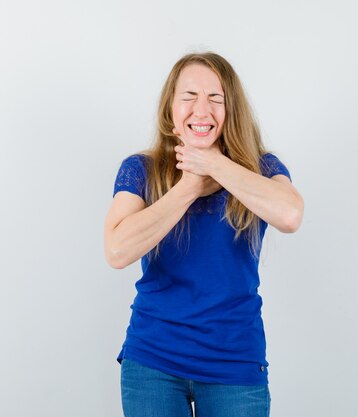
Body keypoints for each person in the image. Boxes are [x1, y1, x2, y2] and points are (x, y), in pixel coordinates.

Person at [103, 52, 304, 417]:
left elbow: (290, 214)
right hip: (153, 361)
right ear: (171, 108)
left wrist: (213, 162)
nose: (202, 109)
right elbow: (117, 250)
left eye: (216, 98)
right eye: (189, 96)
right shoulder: (141, 170)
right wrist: (189, 186)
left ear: (232, 110)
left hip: (235, 364)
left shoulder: (261, 169)